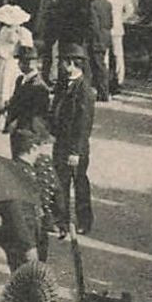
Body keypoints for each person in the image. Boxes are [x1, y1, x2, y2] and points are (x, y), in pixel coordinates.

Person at [50, 45, 96, 237]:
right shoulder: (63, 84)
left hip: (75, 146)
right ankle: (61, 220)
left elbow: (83, 124)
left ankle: (84, 221)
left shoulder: (83, 89)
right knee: (60, 182)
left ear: (72, 63)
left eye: (63, 62)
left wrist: (75, 151)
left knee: (79, 183)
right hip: (61, 142)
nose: (61, 65)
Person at [1, 45, 54, 159]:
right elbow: (17, 101)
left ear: (34, 63)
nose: (21, 64)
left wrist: (17, 122)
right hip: (17, 130)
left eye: (26, 61)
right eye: (20, 61)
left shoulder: (39, 87)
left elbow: (36, 113)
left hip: (28, 131)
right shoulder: (20, 80)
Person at [0, 4, 32, 108]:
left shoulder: (24, 33)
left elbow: (28, 49)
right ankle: (0, 111)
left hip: (15, 63)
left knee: (11, 87)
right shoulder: (4, 30)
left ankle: (10, 109)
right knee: (2, 88)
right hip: (3, 61)